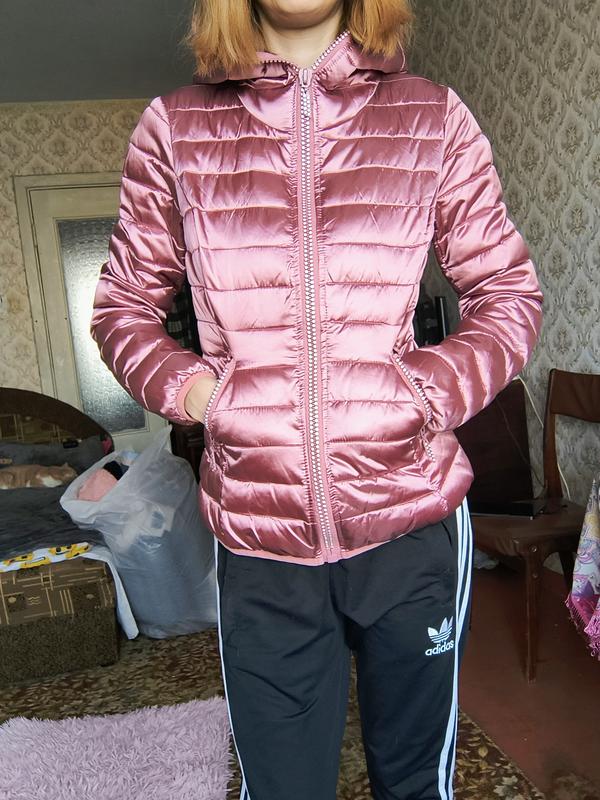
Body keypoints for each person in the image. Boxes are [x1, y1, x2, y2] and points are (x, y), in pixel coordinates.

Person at [90, 0, 543, 797]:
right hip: (259, 537)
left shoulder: (432, 117)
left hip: (409, 519)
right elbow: (121, 309)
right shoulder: (176, 127)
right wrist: (201, 393)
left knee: (414, 783)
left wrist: (420, 392)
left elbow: (509, 296)